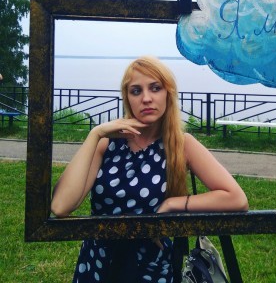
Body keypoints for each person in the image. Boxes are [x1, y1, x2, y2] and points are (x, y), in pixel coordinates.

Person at [51, 55, 248, 282]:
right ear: (127, 98)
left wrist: (172, 204)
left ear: (168, 93)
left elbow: (236, 198)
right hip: (98, 265)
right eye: (136, 91)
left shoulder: (181, 144)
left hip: (151, 269)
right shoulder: (107, 143)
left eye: (155, 88)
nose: (146, 98)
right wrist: (95, 134)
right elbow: (61, 206)